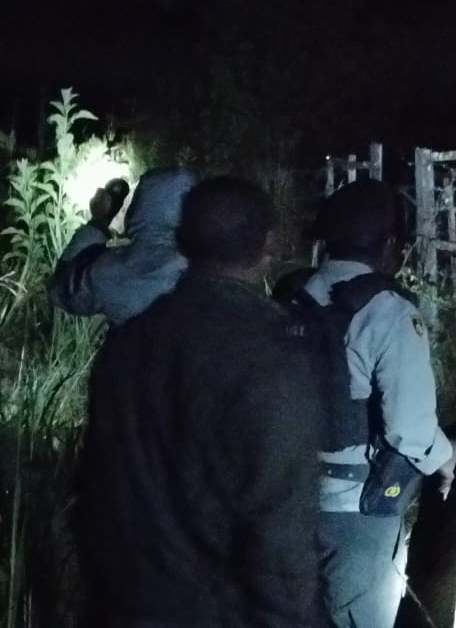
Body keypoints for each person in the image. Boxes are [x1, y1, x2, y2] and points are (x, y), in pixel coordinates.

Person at [77, 175, 324, 628]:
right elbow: (281, 523)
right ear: (269, 244)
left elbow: (96, 488)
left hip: (125, 604)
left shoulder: (128, 343)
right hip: (217, 611)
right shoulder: (272, 357)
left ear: (182, 242)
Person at [275, 179, 456, 628]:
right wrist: (447, 457)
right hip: (356, 508)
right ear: (389, 243)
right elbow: (410, 431)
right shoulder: (388, 312)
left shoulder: (286, 299)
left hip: (282, 496)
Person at [50, 167, 198, 325]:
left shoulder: (115, 274)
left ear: (138, 210)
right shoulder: (203, 270)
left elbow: (61, 288)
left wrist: (99, 221)